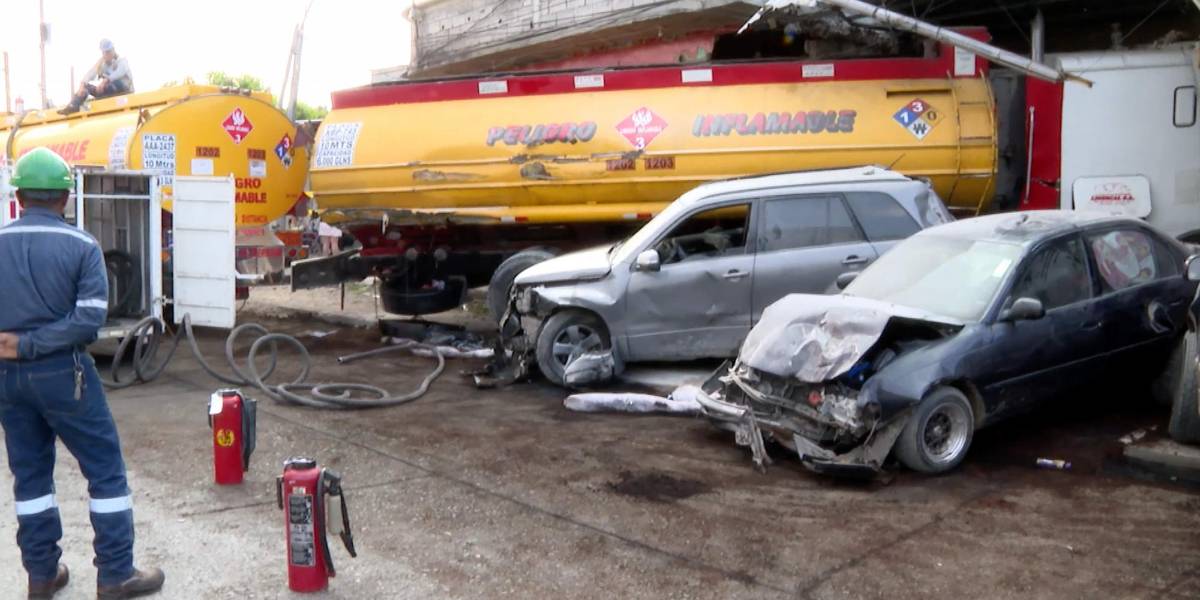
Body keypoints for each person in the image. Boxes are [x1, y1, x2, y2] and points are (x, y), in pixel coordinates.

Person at [0, 148, 163, 599]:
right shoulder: (82, 246)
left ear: (18, 196)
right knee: (105, 470)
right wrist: (34, 343)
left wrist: (16, 345)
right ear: (64, 199)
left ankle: (41, 576)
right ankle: (115, 575)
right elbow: (89, 320)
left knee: (30, 478)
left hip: (8, 379)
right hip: (63, 375)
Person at [57, 39, 134, 115]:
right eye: (104, 52)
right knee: (85, 87)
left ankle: (104, 101)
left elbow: (119, 72)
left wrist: (105, 81)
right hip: (107, 91)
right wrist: (82, 84)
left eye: (108, 52)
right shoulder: (103, 64)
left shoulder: (122, 61)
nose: (106, 54)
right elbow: (91, 73)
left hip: (124, 91)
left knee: (114, 83)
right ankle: (73, 106)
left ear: (113, 50)